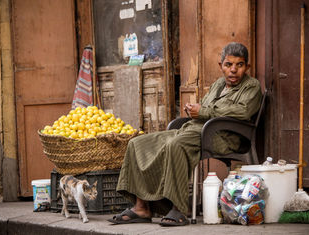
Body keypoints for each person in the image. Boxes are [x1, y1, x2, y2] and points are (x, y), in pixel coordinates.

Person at [108, 42, 262, 226]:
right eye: (229, 64)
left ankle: (178, 209)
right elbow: (206, 107)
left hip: (221, 136)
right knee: (138, 143)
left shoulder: (252, 86)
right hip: (193, 129)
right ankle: (141, 206)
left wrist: (203, 111)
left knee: (176, 145)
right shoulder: (219, 84)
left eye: (240, 65)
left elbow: (242, 112)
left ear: (247, 67)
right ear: (220, 65)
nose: (234, 70)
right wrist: (194, 111)